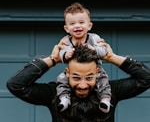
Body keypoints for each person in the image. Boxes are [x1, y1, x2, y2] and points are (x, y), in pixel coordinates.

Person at [7, 39, 150, 122]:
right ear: (67, 73)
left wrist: (110, 57)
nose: (82, 85)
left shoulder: (110, 91)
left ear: (97, 73)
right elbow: (16, 85)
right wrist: (53, 60)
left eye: (89, 77)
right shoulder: (54, 93)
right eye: (76, 77)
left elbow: (146, 78)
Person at [57, 2, 111, 113]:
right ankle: (64, 98)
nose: (77, 26)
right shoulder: (66, 41)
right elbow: (60, 55)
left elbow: (103, 51)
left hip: (96, 69)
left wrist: (94, 49)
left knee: (104, 80)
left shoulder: (94, 38)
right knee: (61, 79)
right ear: (66, 28)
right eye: (72, 24)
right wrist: (65, 55)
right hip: (73, 71)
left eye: (81, 22)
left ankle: (105, 100)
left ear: (89, 26)